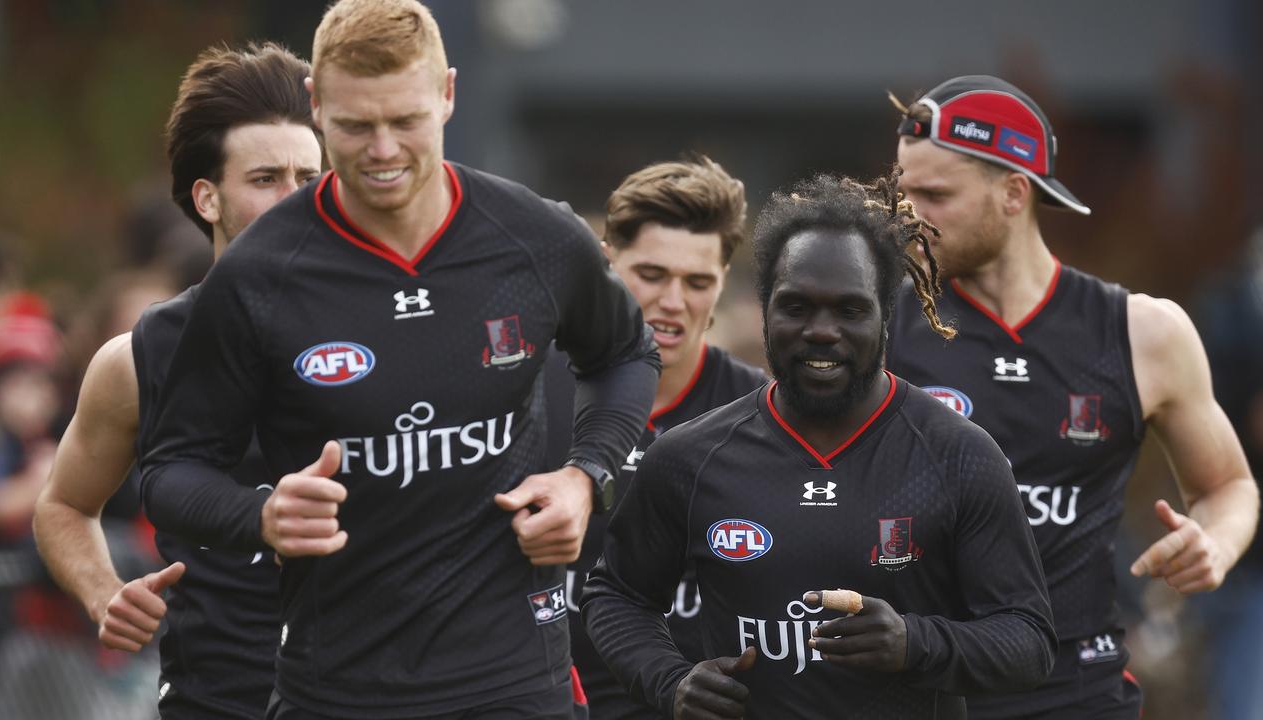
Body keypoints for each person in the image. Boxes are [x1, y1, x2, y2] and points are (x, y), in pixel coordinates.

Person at [137, 1, 659, 718]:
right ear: (317, 106)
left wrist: (585, 475)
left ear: (447, 93)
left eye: (406, 121)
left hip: (512, 687)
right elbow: (170, 470)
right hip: (337, 692)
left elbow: (627, 354)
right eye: (355, 126)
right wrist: (259, 514)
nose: (383, 150)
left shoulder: (536, 238)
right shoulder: (259, 274)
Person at [582, 170, 1057, 719]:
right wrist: (669, 682)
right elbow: (617, 596)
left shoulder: (958, 456)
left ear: (885, 317)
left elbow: (1029, 642)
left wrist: (912, 643)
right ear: (765, 310)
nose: (821, 331)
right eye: (797, 307)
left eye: (850, 310)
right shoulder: (690, 456)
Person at [886, 74, 1259, 719]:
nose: (908, 215)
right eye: (902, 193)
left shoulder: (1145, 332)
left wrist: (1214, 544)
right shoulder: (881, 325)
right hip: (916, 688)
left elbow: (1229, 486)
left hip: (1077, 694)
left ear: (1013, 192)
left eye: (933, 194)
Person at [32, 42, 323, 719]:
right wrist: (105, 591)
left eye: (309, 177)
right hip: (214, 700)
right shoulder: (137, 358)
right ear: (207, 197)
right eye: (266, 179)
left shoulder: (396, 326)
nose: (294, 201)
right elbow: (62, 506)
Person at [543, 156, 767, 719]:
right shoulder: (529, 385)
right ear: (608, 261)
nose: (673, 301)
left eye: (697, 282)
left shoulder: (760, 409)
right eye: (652, 275)